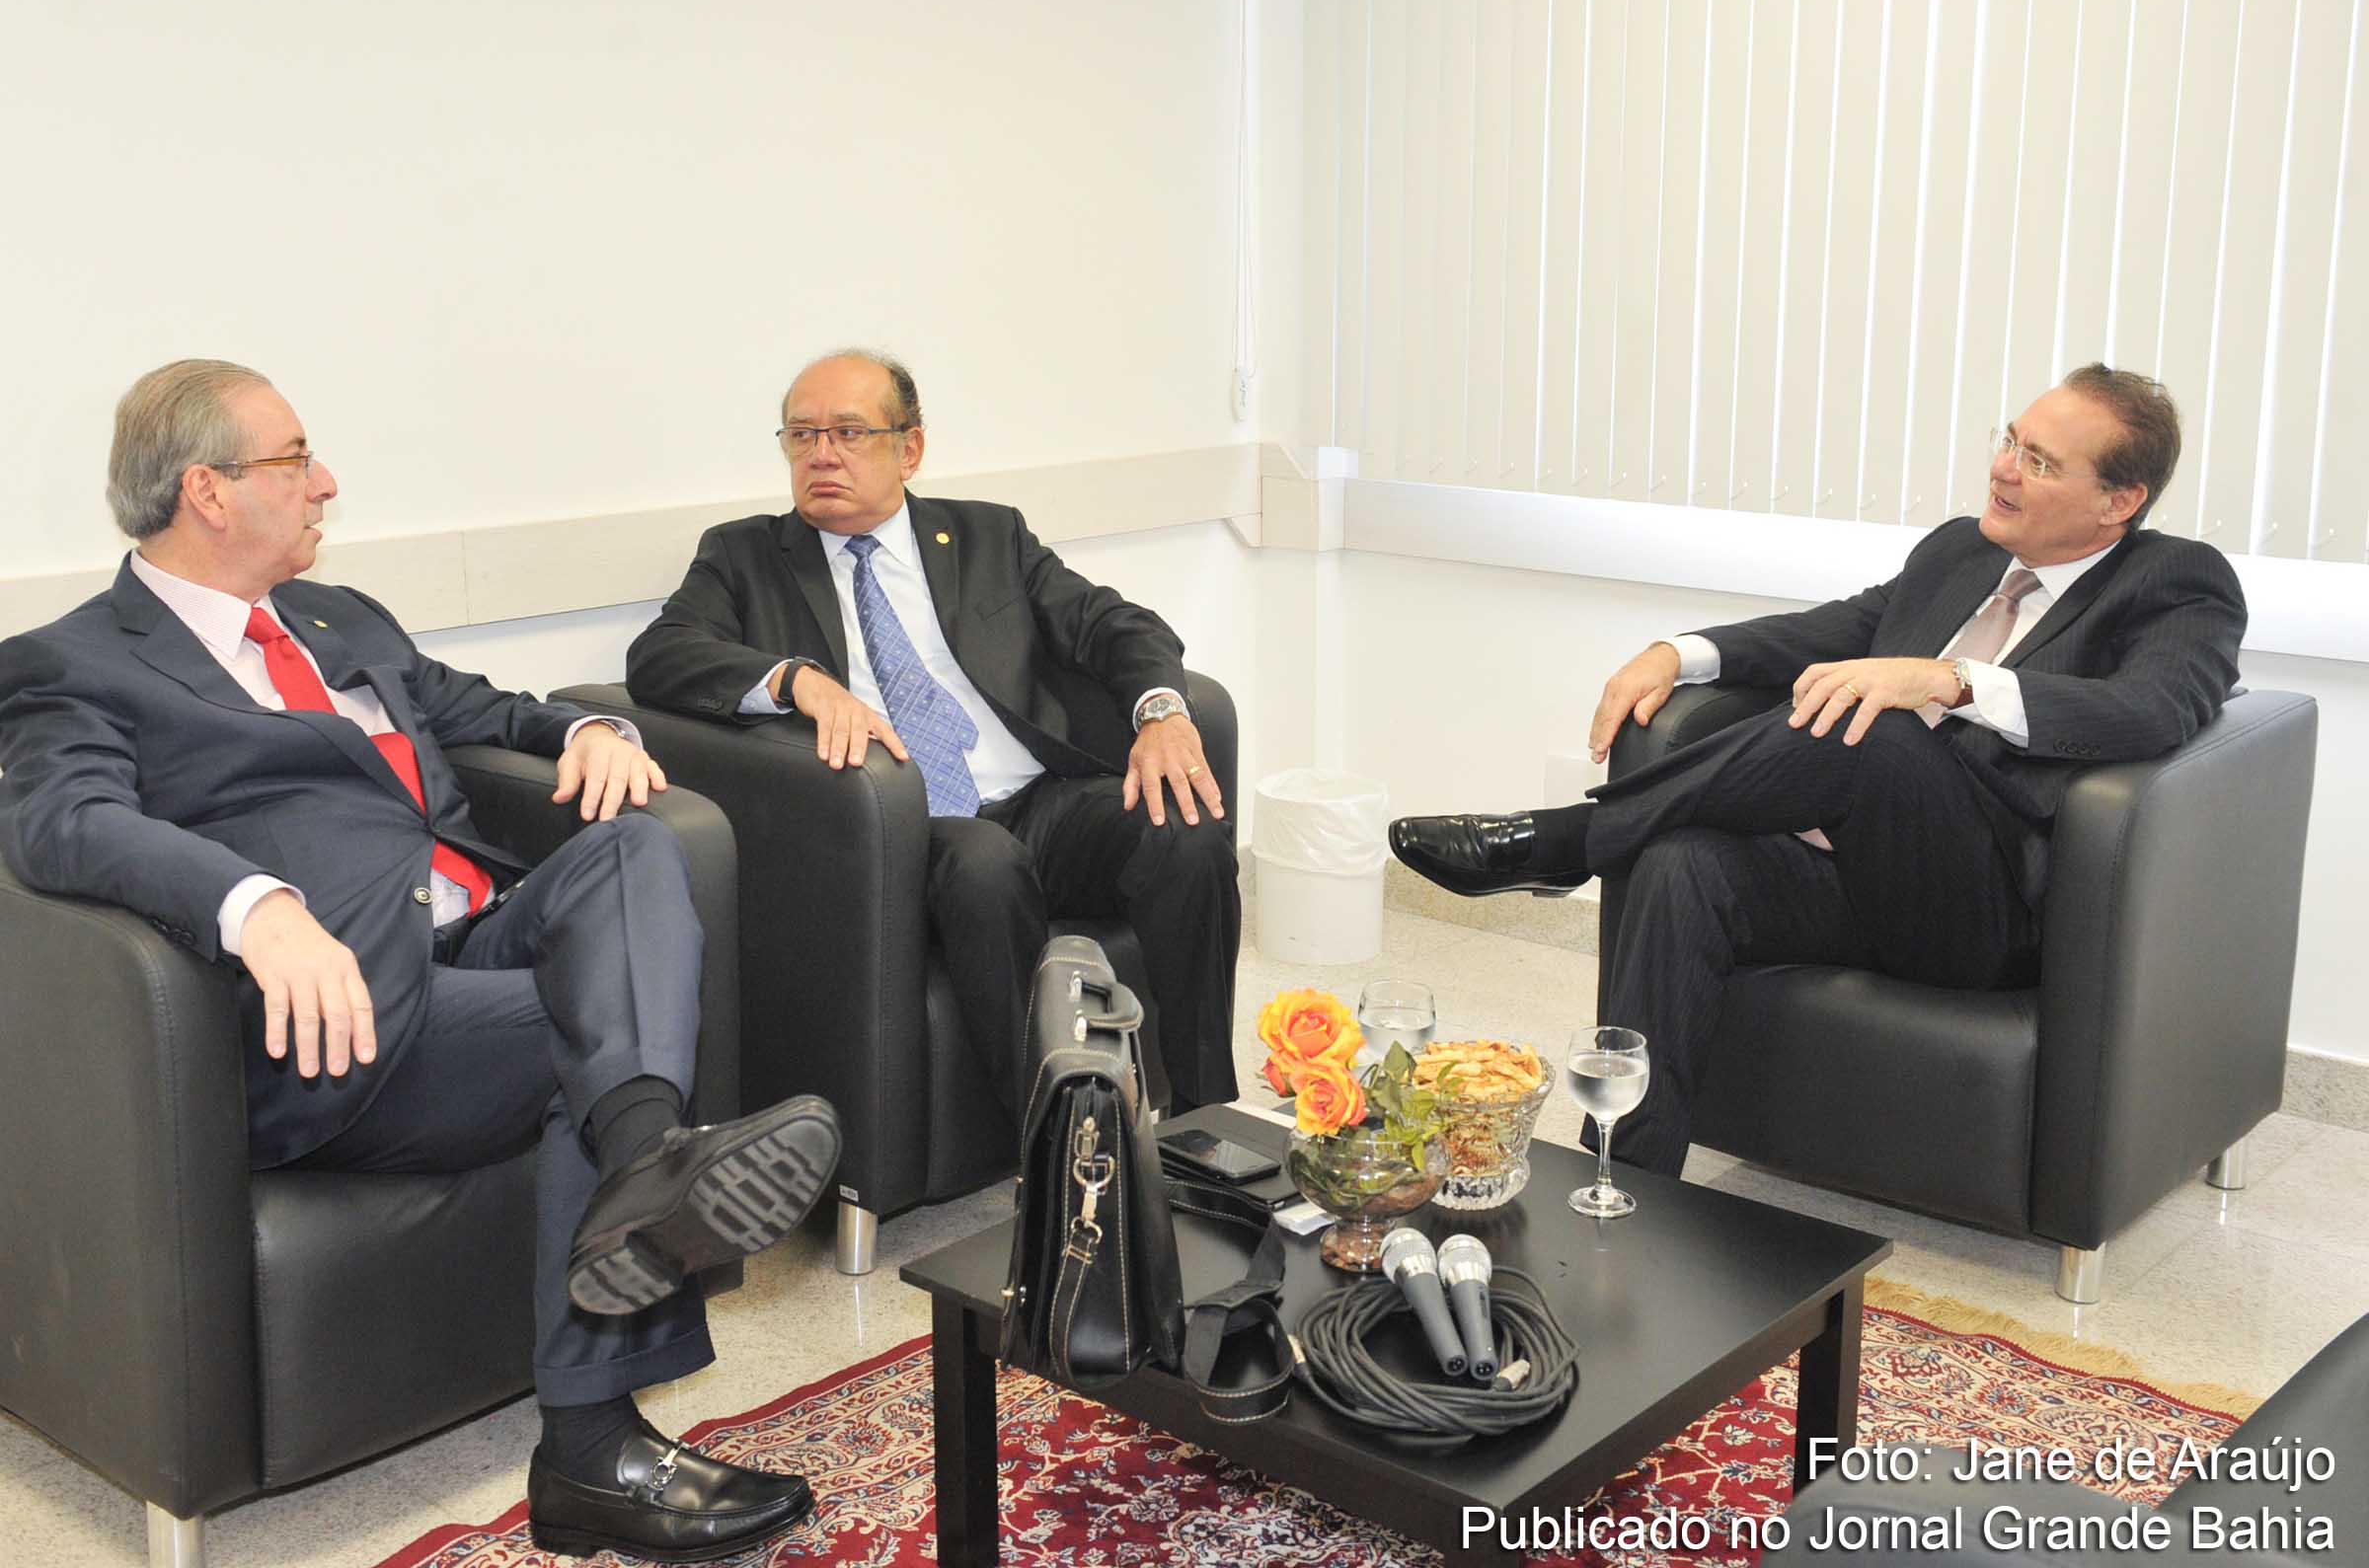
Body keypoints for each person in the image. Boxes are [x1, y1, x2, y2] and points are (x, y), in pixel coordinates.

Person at [0, 360, 843, 1564]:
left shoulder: (345, 620)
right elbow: (58, 823)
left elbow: (491, 709)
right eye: (296, 459)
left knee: (635, 854)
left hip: (473, 938)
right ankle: (594, 1443)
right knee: (586, 1039)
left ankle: (649, 1156)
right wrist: (252, 905)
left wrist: (591, 727)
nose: (326, 481)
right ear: (209, 490)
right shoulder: (74, 661)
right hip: (337, 1012)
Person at [1390, 365, 2246, 1175]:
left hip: (1982, 911)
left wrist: (1949, 681)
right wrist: (1678, 653)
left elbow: (2156, 709)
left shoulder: (2176, 582)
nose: (2002, 469)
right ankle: (1627, 1180)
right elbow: (1835, 629)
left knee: (1878, 725)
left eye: (2039, 461)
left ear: (2118, 501)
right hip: (1851, 877)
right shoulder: (1963, 552)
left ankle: (1564, 840)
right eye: (2010, 440)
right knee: (1680, 862)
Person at [625, 349, 1241, 1119]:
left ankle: (1208, 1122)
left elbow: (1116, 626)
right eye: (802, 434)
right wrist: (796, 679)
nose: (821, 454)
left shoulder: (988, 538)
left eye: (848, 433)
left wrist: (1160, 711)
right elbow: (659, 655)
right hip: (906, 826)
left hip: (1037, 801)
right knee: (985, 863)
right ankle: (1048, 1139)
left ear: (909, 448)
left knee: (1184, 827)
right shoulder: (744, 556)